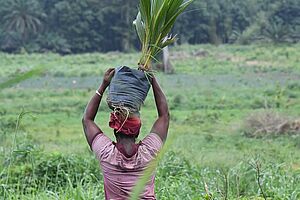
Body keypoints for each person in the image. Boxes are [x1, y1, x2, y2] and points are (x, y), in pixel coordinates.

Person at [82, 68, 169, 199]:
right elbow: (164, 116)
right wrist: (153, 80)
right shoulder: (149, 151)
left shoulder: (106, 153)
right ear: (138, 131)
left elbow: (87, 119)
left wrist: (103, 85)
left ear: (115, 130)